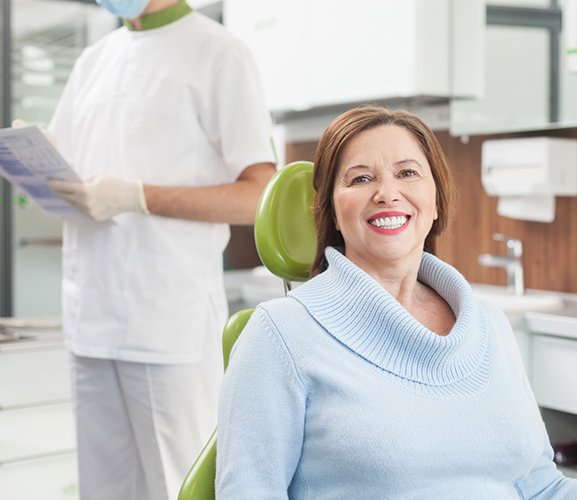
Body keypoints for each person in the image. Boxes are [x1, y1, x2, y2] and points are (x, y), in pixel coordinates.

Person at [216, 105, 577, 499]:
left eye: (407, 173)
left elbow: (540, 484)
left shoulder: (490, 325)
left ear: (435, 200)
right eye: (361, 178)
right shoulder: (280, 334)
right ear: (333, 212)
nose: (387, 193)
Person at [39, 0, 276, 499]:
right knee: (102, 490)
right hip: (90, 317)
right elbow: (68, 171)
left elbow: (258, 195)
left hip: (167, 324)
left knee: (179, 486)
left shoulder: (219, 53)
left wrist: (139, 197)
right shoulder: (92, 61)